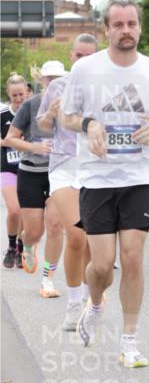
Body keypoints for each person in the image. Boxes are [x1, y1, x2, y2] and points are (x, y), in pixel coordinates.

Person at [60, 0, 149, 368]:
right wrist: (90, 125)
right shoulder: (86, 70)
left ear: (139, 27)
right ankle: (94, 302)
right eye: (119, 25)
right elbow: (67, 117)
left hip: (139, 177)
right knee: (102, 266)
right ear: (107, 29)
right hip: (97, 178)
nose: (126, 30)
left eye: (132, 24)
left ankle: (129, 342)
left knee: (131, 259)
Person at [37, 34, 98, 328]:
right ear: (71, 56)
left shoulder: (105, 86)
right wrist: (50, 113)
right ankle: (73, 304)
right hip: (63, 165)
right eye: (79, 55)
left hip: (94, 167)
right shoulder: (58, 87)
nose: (84, 61)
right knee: (75, 234)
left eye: (90, 56)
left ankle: (87, 297)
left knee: (90, 241)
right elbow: (42, 127)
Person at [5, 62, 65, 294]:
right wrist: (34, 146)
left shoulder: (73, 106)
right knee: (33, 231)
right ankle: (26, 245)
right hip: (30, 172)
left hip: (58, 174)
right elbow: (11, 138)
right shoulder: (31, 105)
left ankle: (48, 280)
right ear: (42, 81)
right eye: (49, 79)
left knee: (56, 225)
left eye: (58, 79)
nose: (54, 83)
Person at [1, 74, 28, 268]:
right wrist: (11, 141)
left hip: (29, 169)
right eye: (14, 95)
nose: (18, 99)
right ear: (8, 94)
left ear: (27, 92)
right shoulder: (3, 115)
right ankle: (11, 246)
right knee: (14, 209)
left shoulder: (33, 112)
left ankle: (19, 248)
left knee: (26, 212)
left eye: (21, 94)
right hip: (8, 167)